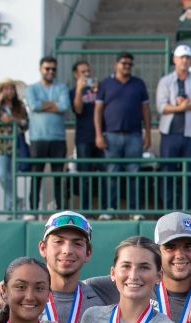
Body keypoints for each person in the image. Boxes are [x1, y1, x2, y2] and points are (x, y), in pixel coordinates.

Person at [94, 52, 151, 219]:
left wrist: (147, 133)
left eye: (129, 64)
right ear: (116, 64)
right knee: (112, 173)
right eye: (123, 63)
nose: (126, 66)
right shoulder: (106, 84)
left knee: (134, 173)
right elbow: (98, 111)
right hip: (111, 135)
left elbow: (145, 110)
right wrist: (98, 134)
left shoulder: (138, 84)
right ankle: (109, 209)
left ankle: (135, 210)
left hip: (134, 135)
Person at [157, 45, 191, 212]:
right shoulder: (165, 81)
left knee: (189, 172)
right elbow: (161, 107)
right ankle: (168, 208)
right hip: (170, 133)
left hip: (190, 134)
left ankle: (184, 208)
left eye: (187, 58)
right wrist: (180, 108)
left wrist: (190, 105)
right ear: (175, 60)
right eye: (181, 57)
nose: (184, 60)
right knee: (168, 171)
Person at [25, 56, 71, 213]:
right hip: (38, 138)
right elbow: (33, 105)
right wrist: (53, 104)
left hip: (58, 138)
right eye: (47, 69)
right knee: (36, 176)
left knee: (58, 175)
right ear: (40, 69)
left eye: (53, 69)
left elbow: (64, 106)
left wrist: (43, 105)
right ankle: (33, 210)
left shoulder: (62, 87)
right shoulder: (31, 88)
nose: (50, 71)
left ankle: (60, 209)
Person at [0, 78, 29, 216]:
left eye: (11, 88)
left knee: (11, 175)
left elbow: (26, 123)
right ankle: (16, 200)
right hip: (1, 145)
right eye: (5, 89)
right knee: (1, 174)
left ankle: (11, 209)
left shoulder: (20, 105)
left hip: (15, 143)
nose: (9, 91)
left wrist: (13, 120)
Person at [71, 61, 101, 211]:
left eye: (88, 71)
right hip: (83, 138)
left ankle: (105, 210)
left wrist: (97, 91)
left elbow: (103, 110)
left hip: (101, 136)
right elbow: (77, 109)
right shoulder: (74, 91)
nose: (87, 74)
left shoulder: (99, 90)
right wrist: (79, 89)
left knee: (103, 174)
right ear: (76, 75)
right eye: (83, 72)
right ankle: (85, 209)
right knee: (85, 176)